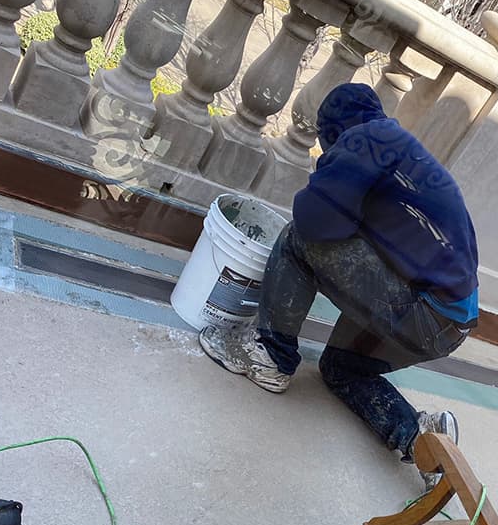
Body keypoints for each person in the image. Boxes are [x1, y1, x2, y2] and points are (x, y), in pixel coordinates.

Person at [199, 83, 479, 488]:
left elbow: (317, 220)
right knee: (341, 370)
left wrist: (327, 169)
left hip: (421, 309)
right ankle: (421, 439)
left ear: (333, 131)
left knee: (300, 237)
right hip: (448, 326)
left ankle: (270, 357)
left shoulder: (364, 138)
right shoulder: (398, 148)